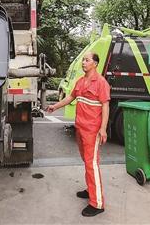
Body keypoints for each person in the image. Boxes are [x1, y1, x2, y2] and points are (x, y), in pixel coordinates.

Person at [46, 51, 110, 217]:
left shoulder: (101, 83)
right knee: (87, 161)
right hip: (80, 128)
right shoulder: (81, 81)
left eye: (86, 60)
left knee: (92, 163)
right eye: (83, 60)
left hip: (92, 130)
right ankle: (91, 190)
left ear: (95, 63)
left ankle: (97, 204)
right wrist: (55, 106)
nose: (83, 62)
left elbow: (105, 106)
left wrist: (103, 128)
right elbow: (70, 98)